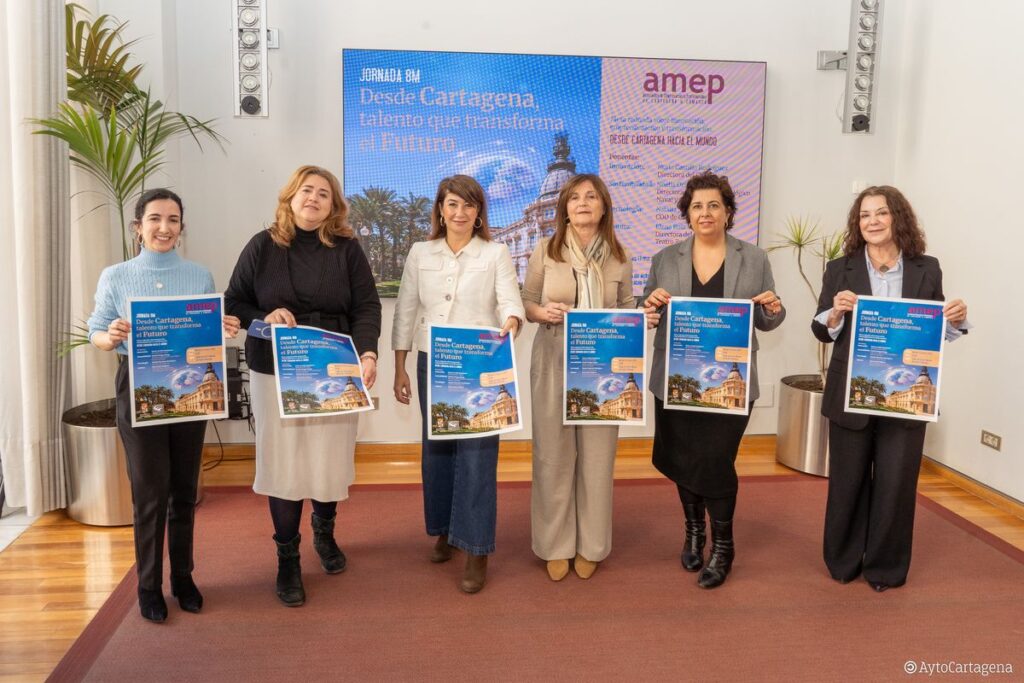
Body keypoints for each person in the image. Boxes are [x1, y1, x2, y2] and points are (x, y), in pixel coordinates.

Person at [225, 165, 381, 607]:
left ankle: (324, 534)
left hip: (335, 371)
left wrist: (368, 354)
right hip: (274, 371)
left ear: (334, 206)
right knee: (284, 464)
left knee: (329, 461)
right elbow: (233, 301)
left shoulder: (348, 249)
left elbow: (367, 306)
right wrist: (263, 316)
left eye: (324, 194)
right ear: (290, 197)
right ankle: (287, 558)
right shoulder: (261, 245)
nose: (314, 198)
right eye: (306, 190)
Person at [88, 188, 241, 622]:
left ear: (182, 227)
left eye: (173, 219)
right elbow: (95, 331)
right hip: (139, 390)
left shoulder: (199, 276)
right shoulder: (116, 276)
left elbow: (205, 335)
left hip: (188, 397)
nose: (164, 227)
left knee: (183, 490)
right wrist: (110, 336)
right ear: (138, 227)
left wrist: (223, 326)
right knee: (149, 492)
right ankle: (149, 585)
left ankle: (185, 578)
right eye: (154, 219)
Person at [813, 185, 969, 592]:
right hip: (852, 394)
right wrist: (835, 312)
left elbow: (933, 330)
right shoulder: (839, 268)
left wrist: (954, 319)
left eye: (881, 213)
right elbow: (820, 328)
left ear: (898, 217)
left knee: (897, 486)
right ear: (857, 223)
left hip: (906, 401)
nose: (873, 222)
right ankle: (843, 561)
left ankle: (885, 569)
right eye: (865, 216)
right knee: (847, 482)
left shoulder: (926, 268)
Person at [643, 170, 785, 589]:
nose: (705, 212)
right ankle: (694, 532)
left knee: (716, 460)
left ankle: (724, 547)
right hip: (676, 379)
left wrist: (773, 309)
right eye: (697, 206)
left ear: (728, 212)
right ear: (687, 214)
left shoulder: (754, 258)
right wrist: (647, 305)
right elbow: (646, 312)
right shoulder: (664, 258)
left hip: (731, 383)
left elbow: (768, 317)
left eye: (713, 205)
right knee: (685, 458)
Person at [392, 175, 524, 594]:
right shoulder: (420, 252)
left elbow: (510, 302)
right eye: (452, 204)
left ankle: (477, 548)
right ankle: (445, 531)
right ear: (441, 210)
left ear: (479, 212)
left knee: (478, 457)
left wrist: (510, 324)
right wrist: (399, 365)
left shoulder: (496, 252)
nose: (460, 213)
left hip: (480, 361)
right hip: (434, 361)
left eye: (468, 205)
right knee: (438, 452)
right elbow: (406, 311)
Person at [522, 174, 634, 582]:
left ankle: (591, 545)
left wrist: (642, 318)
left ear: (604, 207)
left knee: (598, 457)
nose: (583, 203)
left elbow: (627, 307)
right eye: (575, 198)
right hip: (554, 358)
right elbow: (527, 302)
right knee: (553, 454)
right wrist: (540, 313)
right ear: (564, 208)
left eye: (591, 197)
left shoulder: (621, 256)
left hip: (604, 368)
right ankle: (555, 545)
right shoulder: (545, 251)